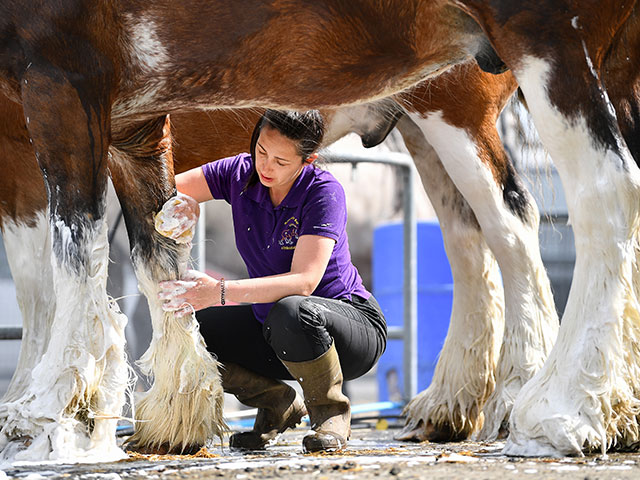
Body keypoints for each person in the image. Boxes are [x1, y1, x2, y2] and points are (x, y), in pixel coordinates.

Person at [155, 109, 387, 453]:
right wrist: (185, 203)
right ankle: (276, 403)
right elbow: (166, 189)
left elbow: (304, 282)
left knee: (292, 310)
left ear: (308, 161)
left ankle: (331, 415)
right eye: (261, 151)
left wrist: (218, 292)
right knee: (196, 329)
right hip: (277, 328)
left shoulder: (324, 192)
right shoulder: (237, 172)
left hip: (349, 330)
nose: (266, 166)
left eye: (281, 161)